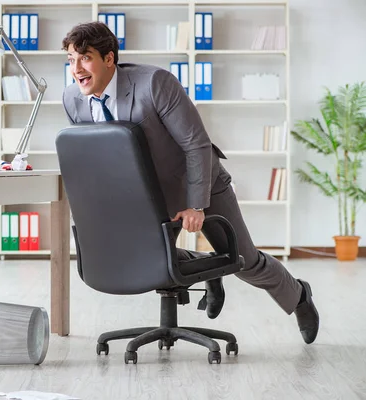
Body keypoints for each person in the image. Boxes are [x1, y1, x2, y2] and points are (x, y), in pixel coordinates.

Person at [61, 21, 319, 344]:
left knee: (242, 260)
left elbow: (196, 143)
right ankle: (208, 272)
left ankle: (298, 296)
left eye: (84, 58)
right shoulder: (72, 99)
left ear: (109, 59)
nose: (76, 69)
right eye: (71, 60)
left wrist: (196, 204)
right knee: (144, 255)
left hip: (197, 179)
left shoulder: (154, 84)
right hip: (144, 191)